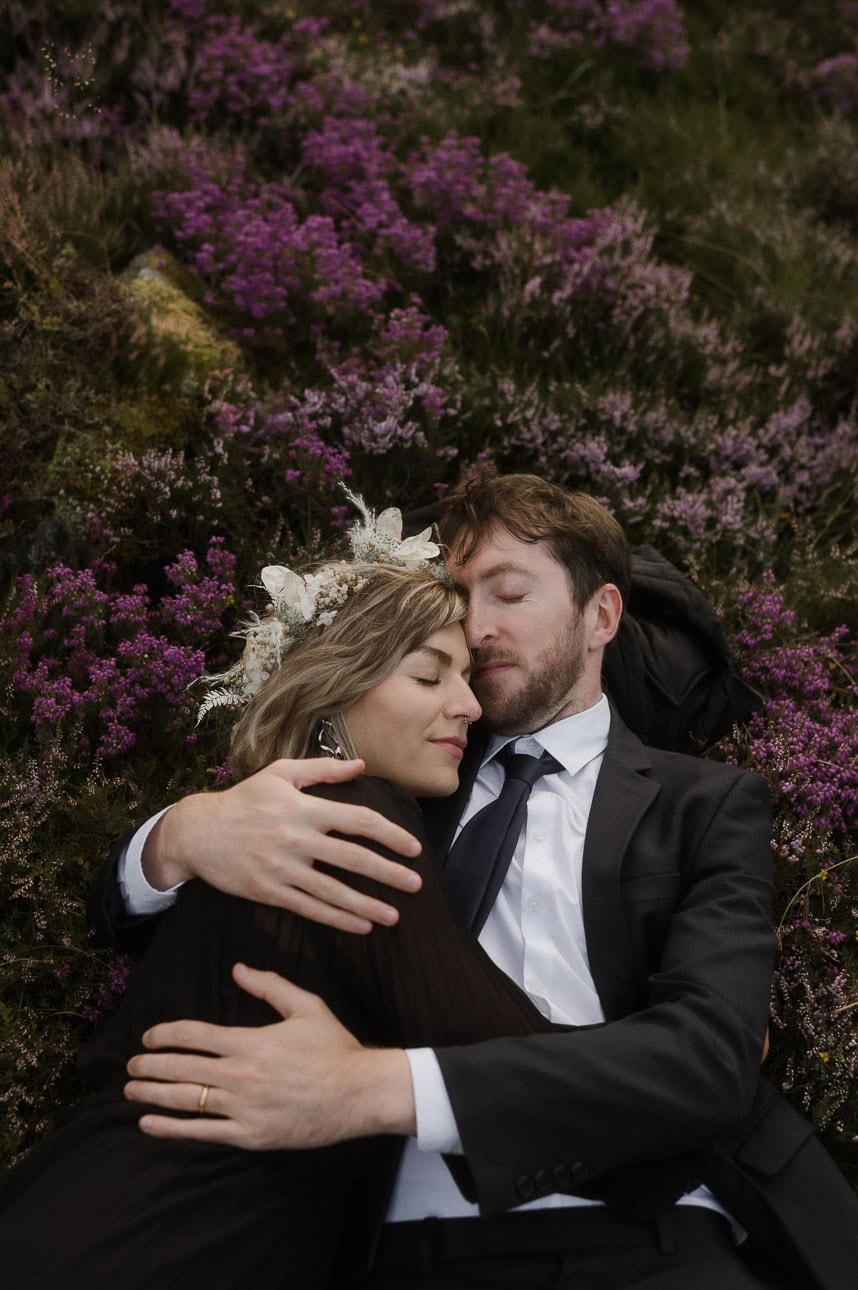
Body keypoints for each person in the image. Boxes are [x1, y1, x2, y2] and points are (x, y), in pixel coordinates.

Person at [93, 475, 858, 1290]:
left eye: (510, 593)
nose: (478, 625)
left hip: (659, 1228)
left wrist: (376, 1087)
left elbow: (711, 1058)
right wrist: (178, 837)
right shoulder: (399, 774)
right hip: (400, 1243)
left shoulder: (704, 804)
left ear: (601, 616)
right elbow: (191, 938)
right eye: (459, 597)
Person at [0, 504, 599, 1289]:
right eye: (429, 676)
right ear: (335, 690)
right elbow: (500, 1051)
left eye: (464, 676)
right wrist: (688, 1105)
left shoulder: (266, 830)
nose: (470, 706)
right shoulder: (350, 820)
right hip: (149, 1241)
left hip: (107, 1216)